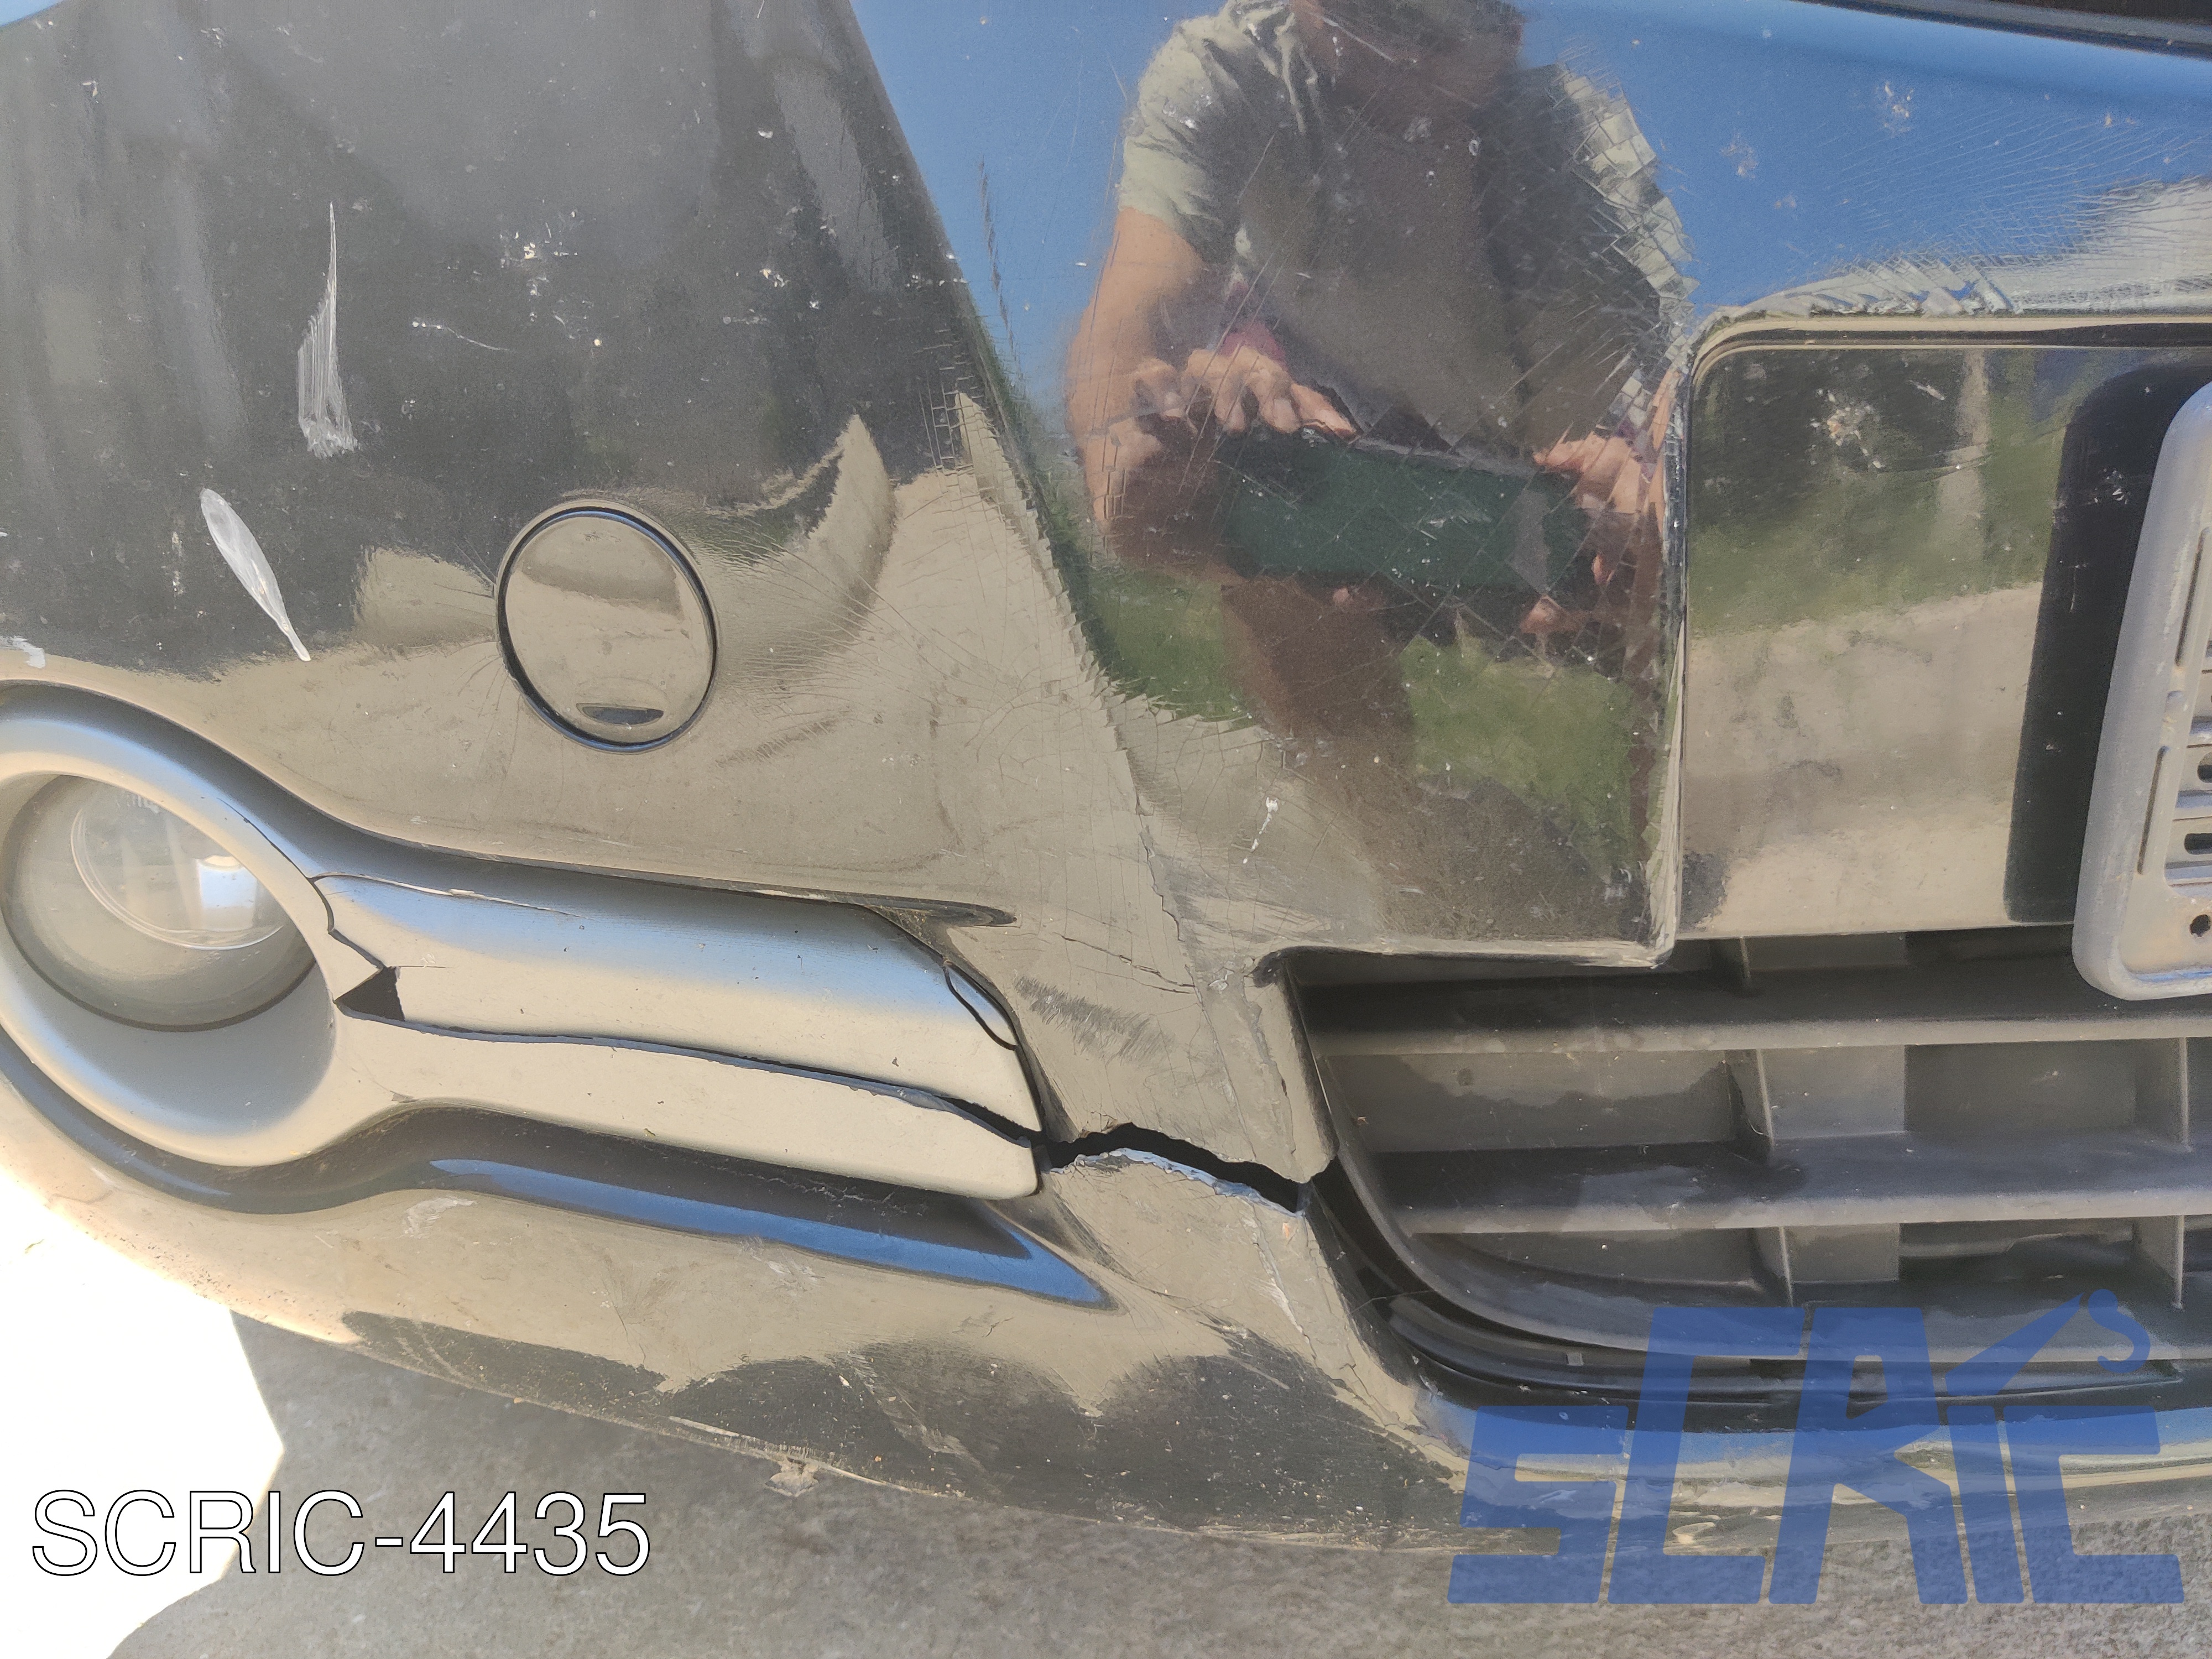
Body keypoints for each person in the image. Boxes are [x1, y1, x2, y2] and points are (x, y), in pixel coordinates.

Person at [1066, 0, 1689, 636]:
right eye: (1355, 11)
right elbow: (1135, 314)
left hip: (1569, 480)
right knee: (1274, 549)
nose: (1393, 52)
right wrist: (1139, 455)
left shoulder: (1582, 135)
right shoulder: (1231, 69)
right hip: (1354, 435)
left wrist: (1653, 469)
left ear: (1510, 32)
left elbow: (1677, 362)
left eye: (1436, 28)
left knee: (1645, 580)